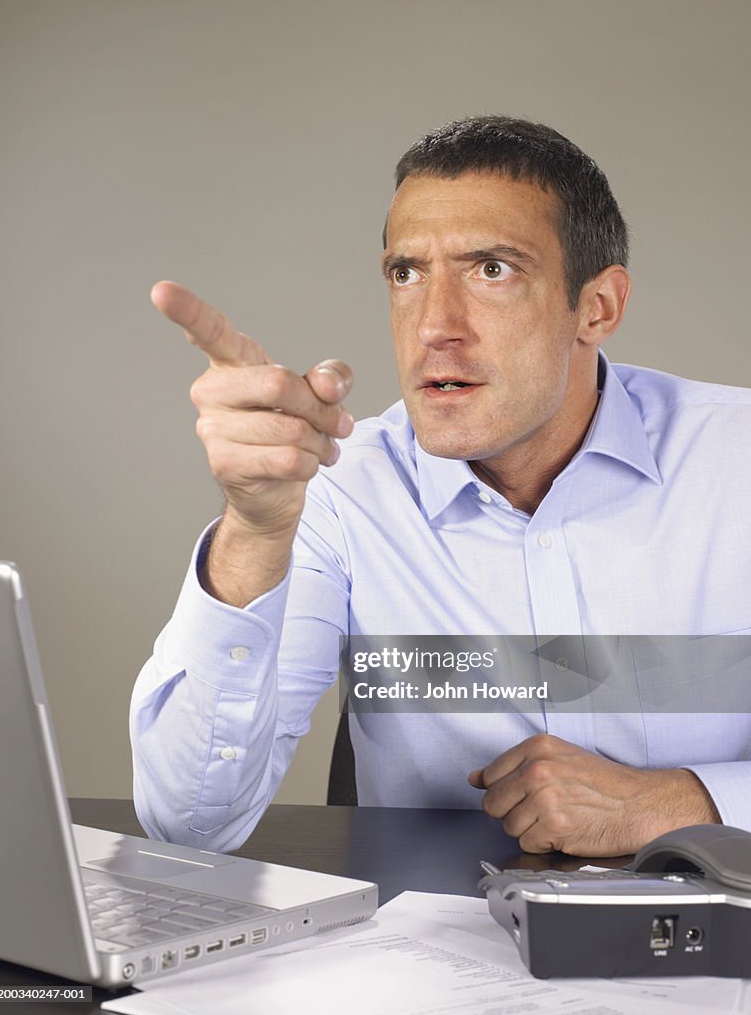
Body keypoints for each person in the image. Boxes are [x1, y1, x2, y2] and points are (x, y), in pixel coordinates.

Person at [131, 116, 751, 858]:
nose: (433, 326)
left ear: (597, 307)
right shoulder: (334, 487)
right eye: (406, 273)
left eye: (492, 270)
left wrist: (681, 801)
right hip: (440, 954)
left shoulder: (734, 459)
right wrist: (255, 533)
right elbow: (188, 823)